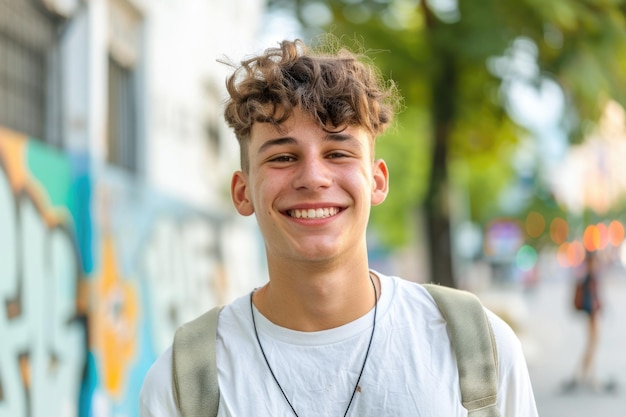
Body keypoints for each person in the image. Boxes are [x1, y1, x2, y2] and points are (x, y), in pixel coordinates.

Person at [140, 38, 538, 416]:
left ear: (377, 181)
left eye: (338, 153)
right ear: (242, 192)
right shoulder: (184, 383)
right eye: (282, 158)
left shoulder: (477, 348)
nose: (313, 178)